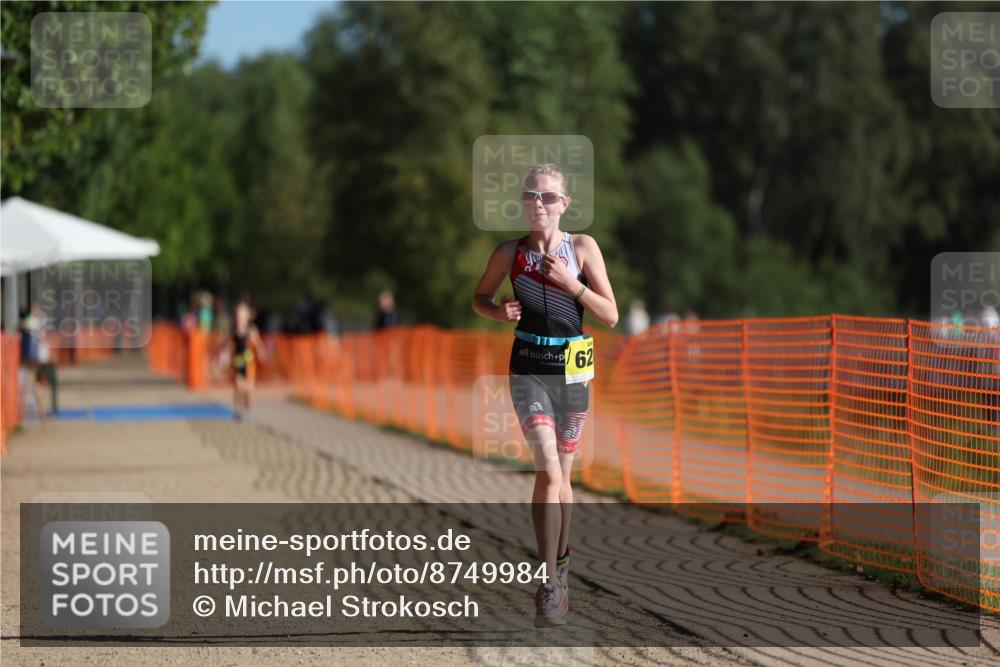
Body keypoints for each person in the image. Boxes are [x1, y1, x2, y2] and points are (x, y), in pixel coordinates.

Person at [472, 163, 618, 627]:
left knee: (564, 478)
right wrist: (498, 312)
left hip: (573, 375)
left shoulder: (582, 248)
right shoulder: (509, 252)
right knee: (549, 471)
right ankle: (549, 582)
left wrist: (572, 285)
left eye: (548, 196)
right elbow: (479, 298)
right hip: (529, 370)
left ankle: (562, 565)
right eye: (531, 195)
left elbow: (611, 314)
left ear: (564, 204)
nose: (539, 203)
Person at [221, 300, 266, 419]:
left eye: (242, 315)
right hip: (238, 360)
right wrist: (224, 355)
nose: (240, 317)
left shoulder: (251, 329)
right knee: (238, 385)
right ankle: (238, 409)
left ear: (247, 316)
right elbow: (227, 344)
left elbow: (258, 344)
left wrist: (261, 352)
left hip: (249, 361)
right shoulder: (234, 330)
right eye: (238, 314)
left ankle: (248, 407)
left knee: (248, 387)